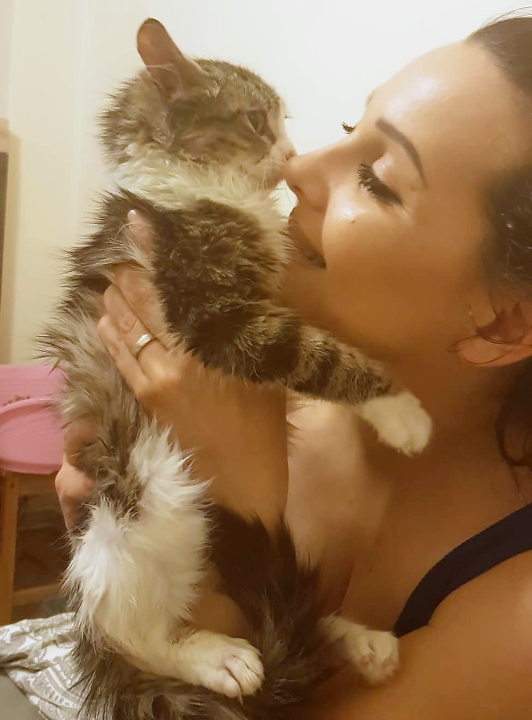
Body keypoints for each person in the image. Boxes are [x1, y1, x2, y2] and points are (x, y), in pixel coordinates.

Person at [55, 15, 532, 718]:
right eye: (346, 128)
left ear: (501, 320)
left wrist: (241, 497)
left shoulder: (512, 618)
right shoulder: (253, 380)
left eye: (377, 180)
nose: (296, 167)